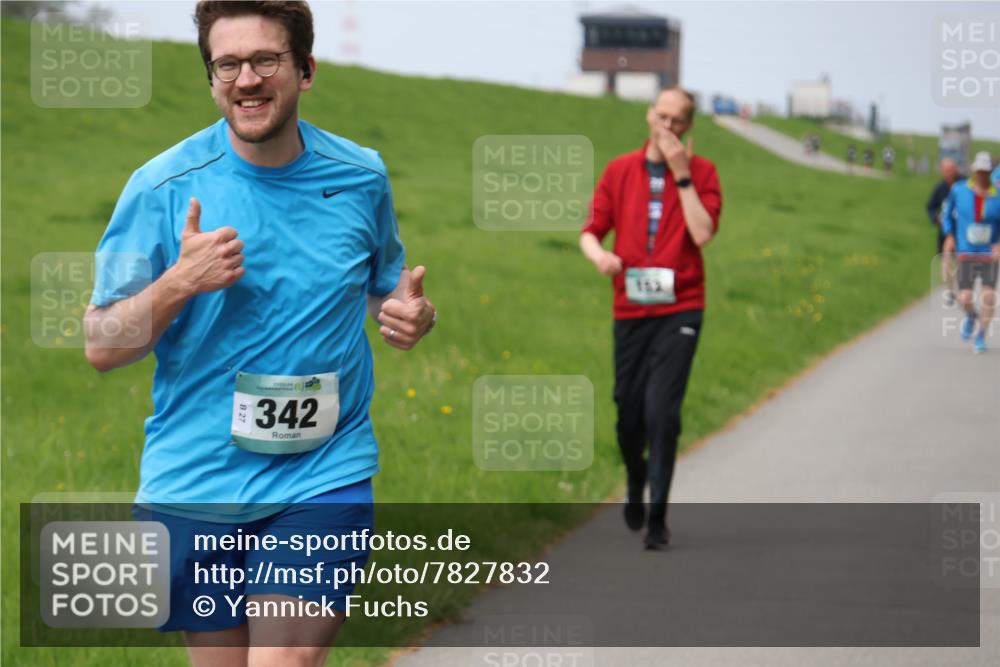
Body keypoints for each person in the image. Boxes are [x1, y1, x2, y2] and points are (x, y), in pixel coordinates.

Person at [83, 2, 436, 664]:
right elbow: (102, 344)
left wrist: (412, 311)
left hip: (323, 472)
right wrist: (178, 282)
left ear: (305, 70)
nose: (246, 78)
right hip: (197, 479)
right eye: (228, 64)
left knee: (285, 660)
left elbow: (388, 283)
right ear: (211, 78)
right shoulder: (160, 186)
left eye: (265, 60)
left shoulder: (360, 177)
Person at [579, 86, 722, 550]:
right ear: (649, 115)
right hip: (631, 307)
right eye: (662, 116)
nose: (667, 126)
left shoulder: (703, 173)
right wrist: (599, 256)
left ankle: (658, 517)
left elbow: (702, 233)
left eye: (677, 120)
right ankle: (636, 475)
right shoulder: (620, 170)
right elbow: (590, 231)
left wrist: (682, 175)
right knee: (628, 412)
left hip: (682, 307)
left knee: (663, 412)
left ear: (689, 127)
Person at [941, 151, 1000, 354]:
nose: (982, 175)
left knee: (989, 297)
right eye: (979, 172)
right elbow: (947, 214)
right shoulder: (959, 190)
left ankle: (981, 335)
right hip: (966, 253)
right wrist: (949, 235)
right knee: (965, 298)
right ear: (974, 171)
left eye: (986, 172)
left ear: (990, 172)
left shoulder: (998, 195)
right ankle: (971, 316)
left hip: (988, 255)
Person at [928, 158, 962, 306]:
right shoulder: (940, 189)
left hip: (962, 232)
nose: (948, 174)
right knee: (946, 262)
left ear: (955, 170)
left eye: (950, 171)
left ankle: (961, 287)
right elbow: (930, 206)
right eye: (945, 171)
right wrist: (935, 218)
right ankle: (950, 291)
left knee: (962, 262)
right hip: (945, 232)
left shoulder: (965, 185)